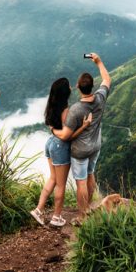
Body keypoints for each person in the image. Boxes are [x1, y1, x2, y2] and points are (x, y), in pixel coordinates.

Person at [30, 78, 91, 227]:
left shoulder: (51, 106)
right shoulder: (66, 111)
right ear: (65, 92)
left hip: (50, 143)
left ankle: (38, 210)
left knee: (53, 179)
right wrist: (84, 126)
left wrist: (54, 131)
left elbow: (53, 128)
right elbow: (67, 136)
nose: (71, 87)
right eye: (69, 86)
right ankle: (56, 217)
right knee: (61, 185)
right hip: (60, 147)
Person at [64, 52, 111, 222]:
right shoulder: (100, 98)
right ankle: (88, 207)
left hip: (81, 151)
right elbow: (107, 79)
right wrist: (98, 62)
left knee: (81, 182)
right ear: (93, 86)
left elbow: (67, 136)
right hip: (95, 146)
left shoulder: (75, 110)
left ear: (78, 86)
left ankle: (82, 216)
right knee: (91, 174)